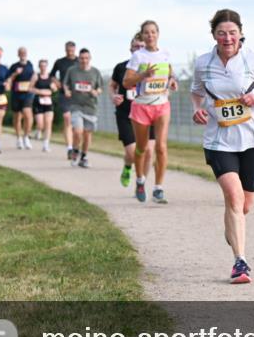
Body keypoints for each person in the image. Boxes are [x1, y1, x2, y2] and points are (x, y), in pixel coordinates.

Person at [192, 9, 254, 283]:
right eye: (221, 33)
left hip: (253, 139)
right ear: (214, 36)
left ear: (240, 33)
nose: (227, 38)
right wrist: (198, 110)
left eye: (232, 32)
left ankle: (233, 230)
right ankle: (240, 262)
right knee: (234, 198)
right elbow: (196, 92)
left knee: (244, 205)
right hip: (219, 141)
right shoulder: (203, 63)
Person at [122, 20, 177, 204]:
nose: (150, 35)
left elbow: (170, 73)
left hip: (161, 104)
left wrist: (172, 81)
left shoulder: (165, 54)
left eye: (153, 32)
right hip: (141, 106)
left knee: (161, 147)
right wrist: (143, 75)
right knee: (142, 148)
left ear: (158, 34)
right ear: (142, 36)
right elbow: (126, 82)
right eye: (146, 33)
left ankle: (158, 188)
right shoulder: (138, 56)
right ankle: (139, 180)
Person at [110, 35, 155, 188]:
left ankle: (140, 184)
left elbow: (165, 82)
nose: (139, 50)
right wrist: (114, 96)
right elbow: (112, 86)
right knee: (132, 153)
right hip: (126, 115)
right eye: (136, 47)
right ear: (131, 49)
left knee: (148, 151)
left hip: (149, 113)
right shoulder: (121, 67)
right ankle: (128, 167)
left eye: (141, 47)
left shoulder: (153, 66)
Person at [61, 48, 103, 168]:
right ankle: (75, 151)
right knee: (78, 131)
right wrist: (67, 90)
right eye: (82, 58)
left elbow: (100, 87)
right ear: (78, 58)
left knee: (87, 134)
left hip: (90, 107)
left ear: (90, 59)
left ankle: (83, 156)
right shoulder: (72, 71)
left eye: (86, 58)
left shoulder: (95, 72)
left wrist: (96, 92)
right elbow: (65, 84)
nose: (84, 61)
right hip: (76, 106)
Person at [51, 41, 78, 160]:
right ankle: (69, 148)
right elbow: (52, 75)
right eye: (68, 50)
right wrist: (58, 84)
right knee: (67, 118)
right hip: (64, 94)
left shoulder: (79, 61)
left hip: (77, 95)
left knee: (76, 123)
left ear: (74, 49)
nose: (70, 52)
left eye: (71, 50)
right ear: (65, 50)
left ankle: (76, 146)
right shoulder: (60, 62)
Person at [8, 47, 35, 149]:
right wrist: (15, 73)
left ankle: (26, 137)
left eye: (24, 52)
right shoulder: (14, 66)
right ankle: (19, 138)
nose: (23, 54)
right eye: (21, 53)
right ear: (18, 54)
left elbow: (33, 76)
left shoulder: (30, 65)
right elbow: (9, 79)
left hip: (28, 93)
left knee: (28, 115)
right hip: (16, 93)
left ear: (26, 53)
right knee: (17, 117)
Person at [29, 58, 55, 152]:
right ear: (39, 67)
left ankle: (46, 144)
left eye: (45, 66)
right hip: (38, 101)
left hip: (48, 101)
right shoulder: (36, 76)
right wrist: (39, 91)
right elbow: (30, 88)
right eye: (41, 66)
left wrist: (52, 88)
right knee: (40, 124)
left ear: (47, 66)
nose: (43, 67)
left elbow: (55, 88)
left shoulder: (50, 77)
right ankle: (38, 130)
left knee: (48, 123)